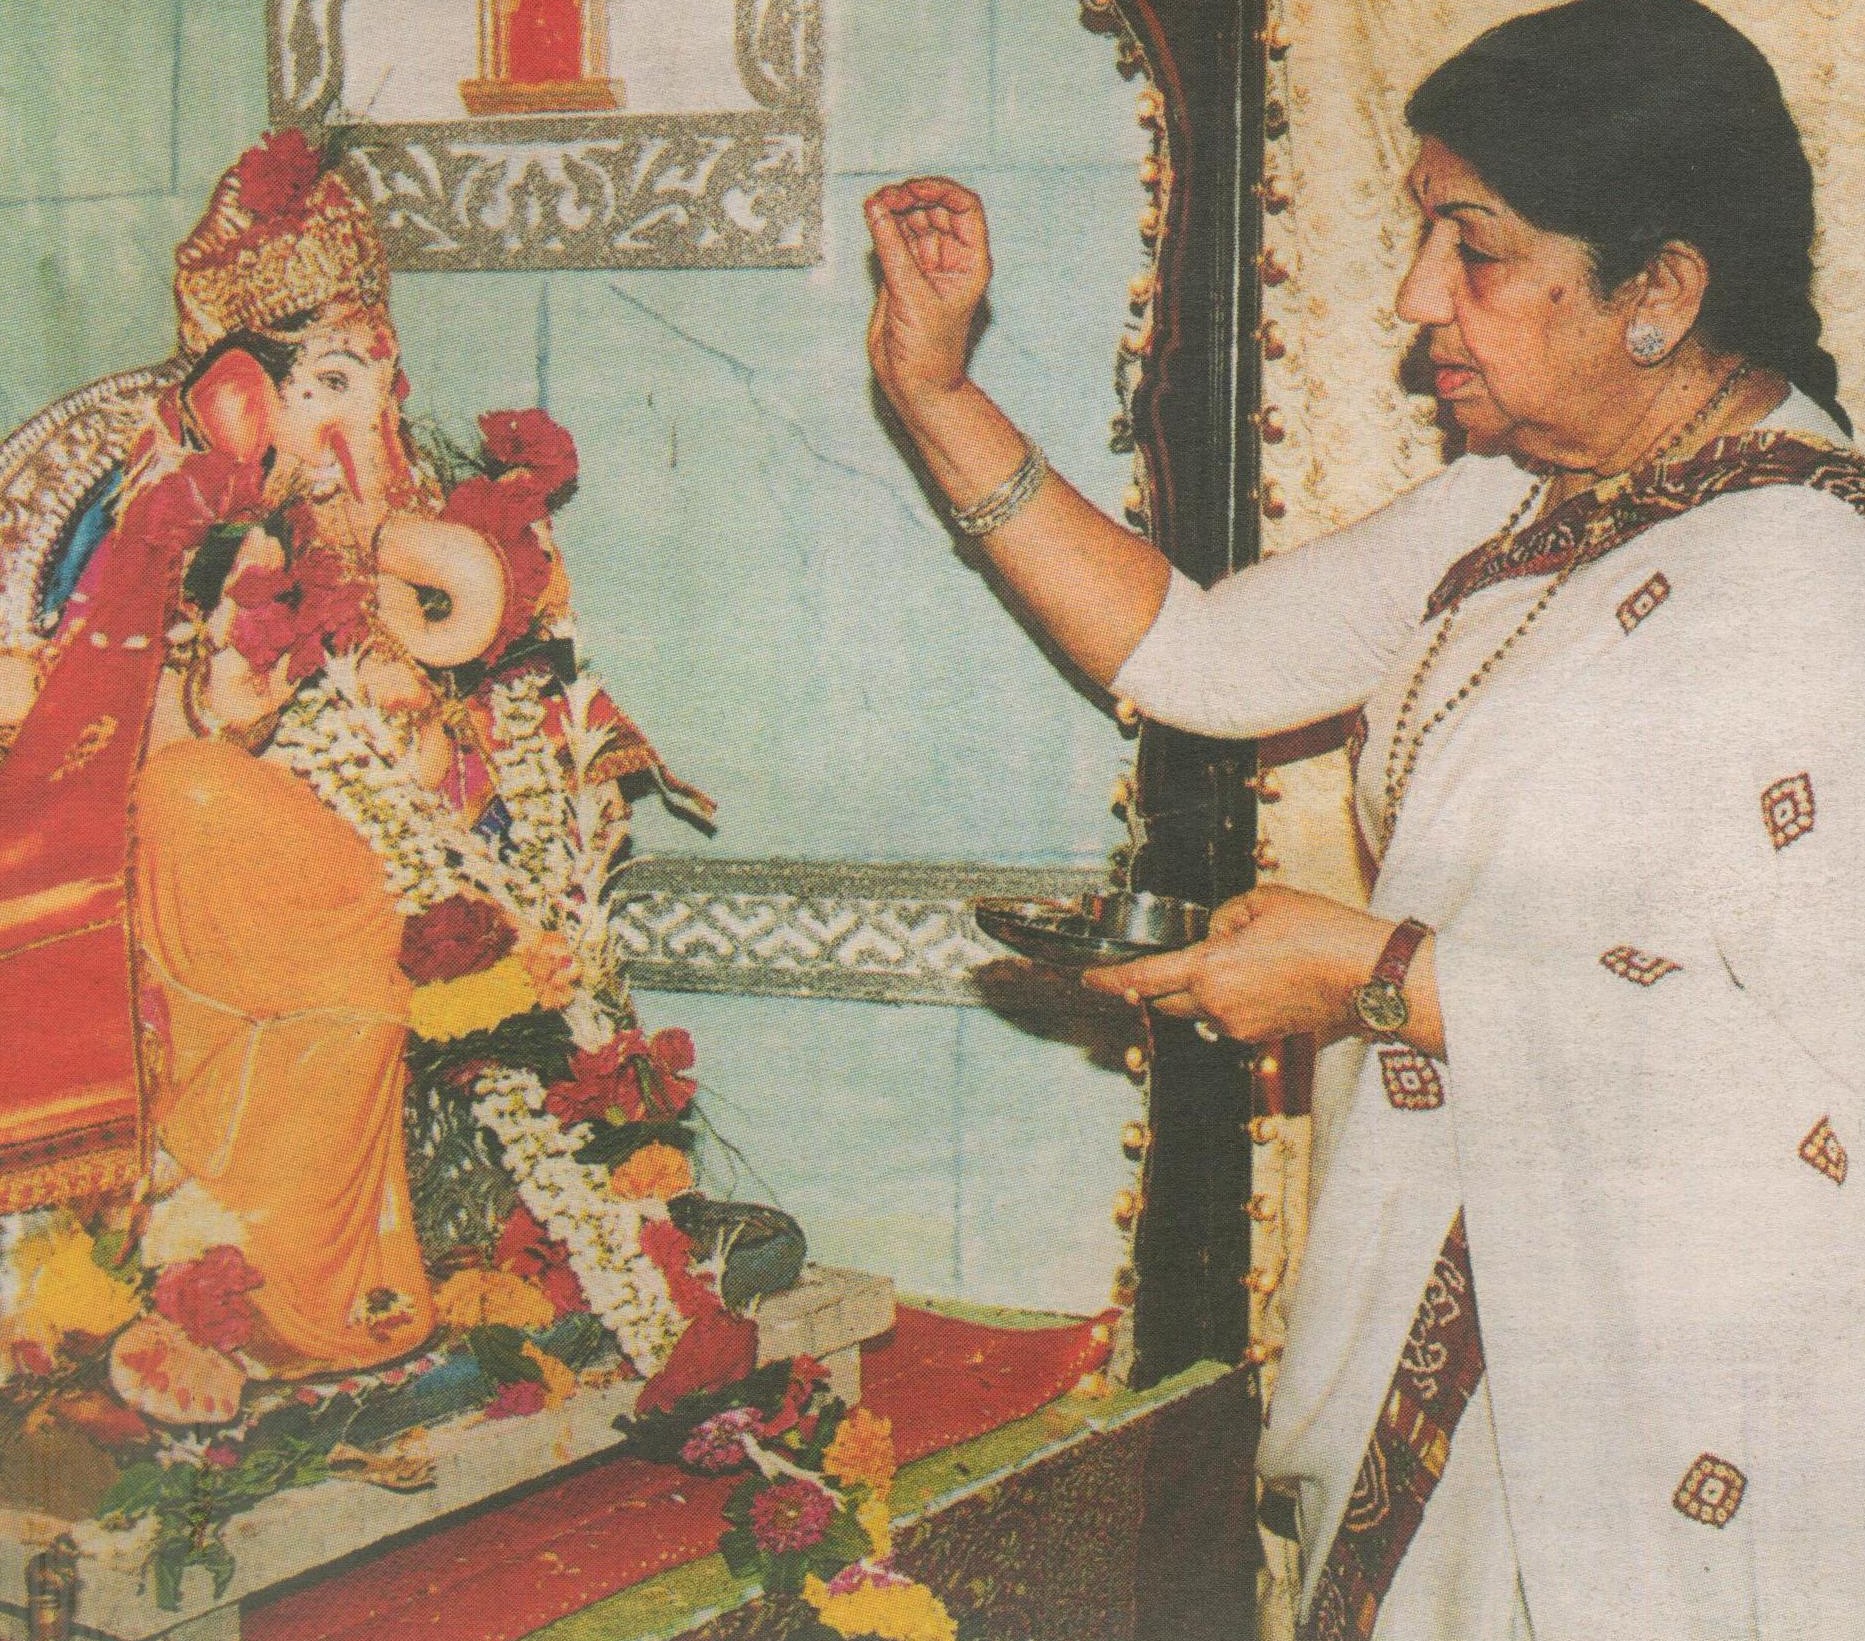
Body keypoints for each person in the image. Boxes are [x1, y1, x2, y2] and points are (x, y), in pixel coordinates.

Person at [865, 1, 1865, 1635]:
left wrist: (1377, 976)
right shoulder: (1524, 499)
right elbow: (1201, 652)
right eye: (1420, 238)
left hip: (1628, 1412)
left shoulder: (1817, 589)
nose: (1415, 305)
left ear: (1662, 291)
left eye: (1473, 250)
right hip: (1430, 1301)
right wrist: (929, 386)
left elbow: (1818, 1081)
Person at [0, 132, 691, 1378]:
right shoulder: (182, 520)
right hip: (197, 839)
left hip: (380, 852)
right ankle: (284, 1295)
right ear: (239, 403)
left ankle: (532, 1222)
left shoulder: (390, 515)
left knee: (487, 865)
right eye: (327, 384)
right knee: (279, 868)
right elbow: (130, 759)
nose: (362, 419)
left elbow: (477, 715)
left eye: (376, 379)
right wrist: (242, 704)